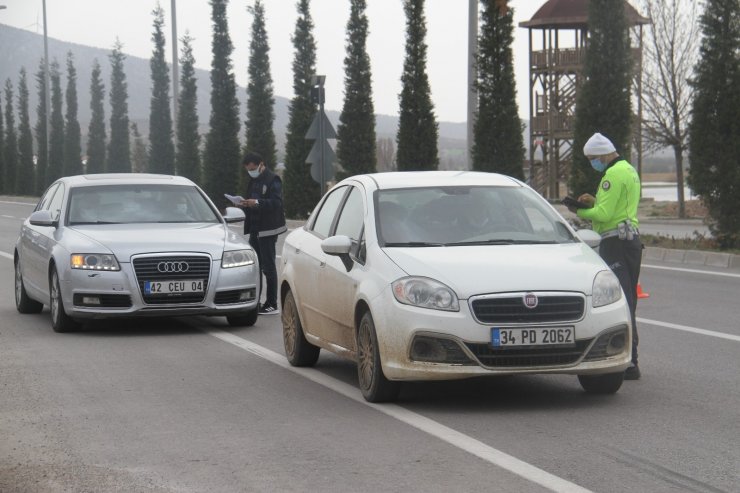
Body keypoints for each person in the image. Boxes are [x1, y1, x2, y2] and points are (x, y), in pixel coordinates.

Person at [569, 132, 643, 380]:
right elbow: (617, 206)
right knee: (630, 297)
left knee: (621, 301)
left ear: (601, 154)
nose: (593, 163)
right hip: (631, 240)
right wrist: (596, 199)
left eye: (592, 158)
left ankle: (629, 361)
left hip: (615, 242)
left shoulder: (611, 174)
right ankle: (632, 358)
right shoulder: (629, 170)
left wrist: (577, 208)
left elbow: (603, 214)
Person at [240, 152, 287, 315]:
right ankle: (257, 301)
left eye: (252, 168)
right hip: (255, 229)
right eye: (248, 169)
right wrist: (245, 203)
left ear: (261, 164)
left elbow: (276, 203)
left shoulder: (273, 179)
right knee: (256, 266)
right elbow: (253, 200)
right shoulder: (254, 180)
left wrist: (258, 202)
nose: (250, 171)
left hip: (267, 229)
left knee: (268, 267)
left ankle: (272, 303)